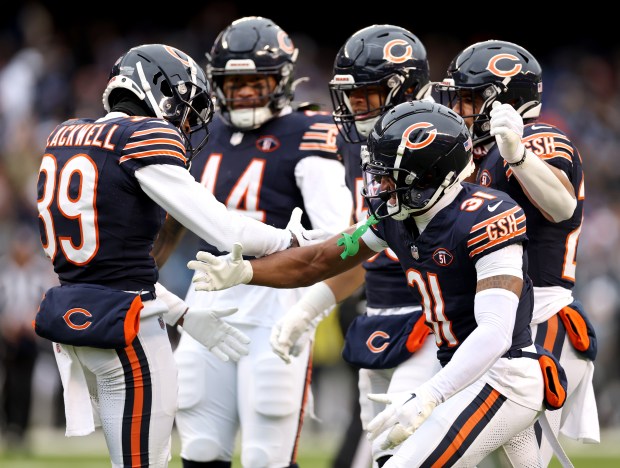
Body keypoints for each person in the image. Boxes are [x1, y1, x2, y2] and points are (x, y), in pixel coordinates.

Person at [187, 100, 558, 467]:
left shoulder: (488, 217)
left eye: (388, 176)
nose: (378, 185)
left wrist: (430, 394)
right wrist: (249, 272)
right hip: (458, 371)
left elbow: (495, 332)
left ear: (429, 175)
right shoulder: (395, 218)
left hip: (502, 376)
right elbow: (319, 259)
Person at [34, 43, 320, 468]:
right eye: (184, 106)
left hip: (82, 316)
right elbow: (225, 230)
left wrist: (182, 313)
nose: (185, 122)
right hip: (128, 332)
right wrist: (290, 241)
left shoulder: (66, 135)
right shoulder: (143, 136)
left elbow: (111, 267)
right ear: (158, 91)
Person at [151, 17, 352, 468]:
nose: (242, 92)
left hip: (276, 299)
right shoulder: (204, 133)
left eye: (254, 81)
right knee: (200, 443)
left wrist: (310, 307)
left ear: (281, 78)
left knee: (267, 448)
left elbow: (340, 238)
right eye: (233, 82)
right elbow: (170, 225)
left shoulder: (309, 132)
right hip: (207, 293)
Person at [269, 24, 441, 467]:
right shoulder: (363, 147)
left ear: (402, 90)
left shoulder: (438, 144)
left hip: (438, 316)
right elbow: (368, 244)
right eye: (349, 97)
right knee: (388, 445)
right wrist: (309, 308)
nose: (352, 108)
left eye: (364, 96)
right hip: (384, 309)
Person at [436, 39, 600, 465]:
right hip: (503, 323)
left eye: (470, 98)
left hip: (542, 320)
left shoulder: (537, 139)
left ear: (503, 100)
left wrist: (519, 154)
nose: (460, 109)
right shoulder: (479, 155)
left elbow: (563, 206)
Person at [0, 225, 58, 453]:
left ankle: (21, 430)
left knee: (25, 383)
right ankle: (9, 425)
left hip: (30, 337)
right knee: (9, 382)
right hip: (7, 335)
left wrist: (31, 321)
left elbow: (48, 302)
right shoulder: (5, 270)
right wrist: (6, 325)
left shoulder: (40, 272)